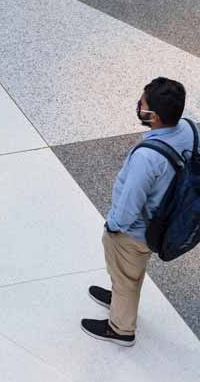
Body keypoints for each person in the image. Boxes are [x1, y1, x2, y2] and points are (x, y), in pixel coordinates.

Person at [83, 78, 194, 347]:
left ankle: (121, 328)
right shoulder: (189, 129)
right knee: (130, 272)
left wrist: (113, 226)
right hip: (163, 221)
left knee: (126, 271)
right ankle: (120, 296)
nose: (139, 105)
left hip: (134, 232)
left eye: (142, 103)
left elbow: (130, 203)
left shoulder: (147, 158)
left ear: (152, 116)